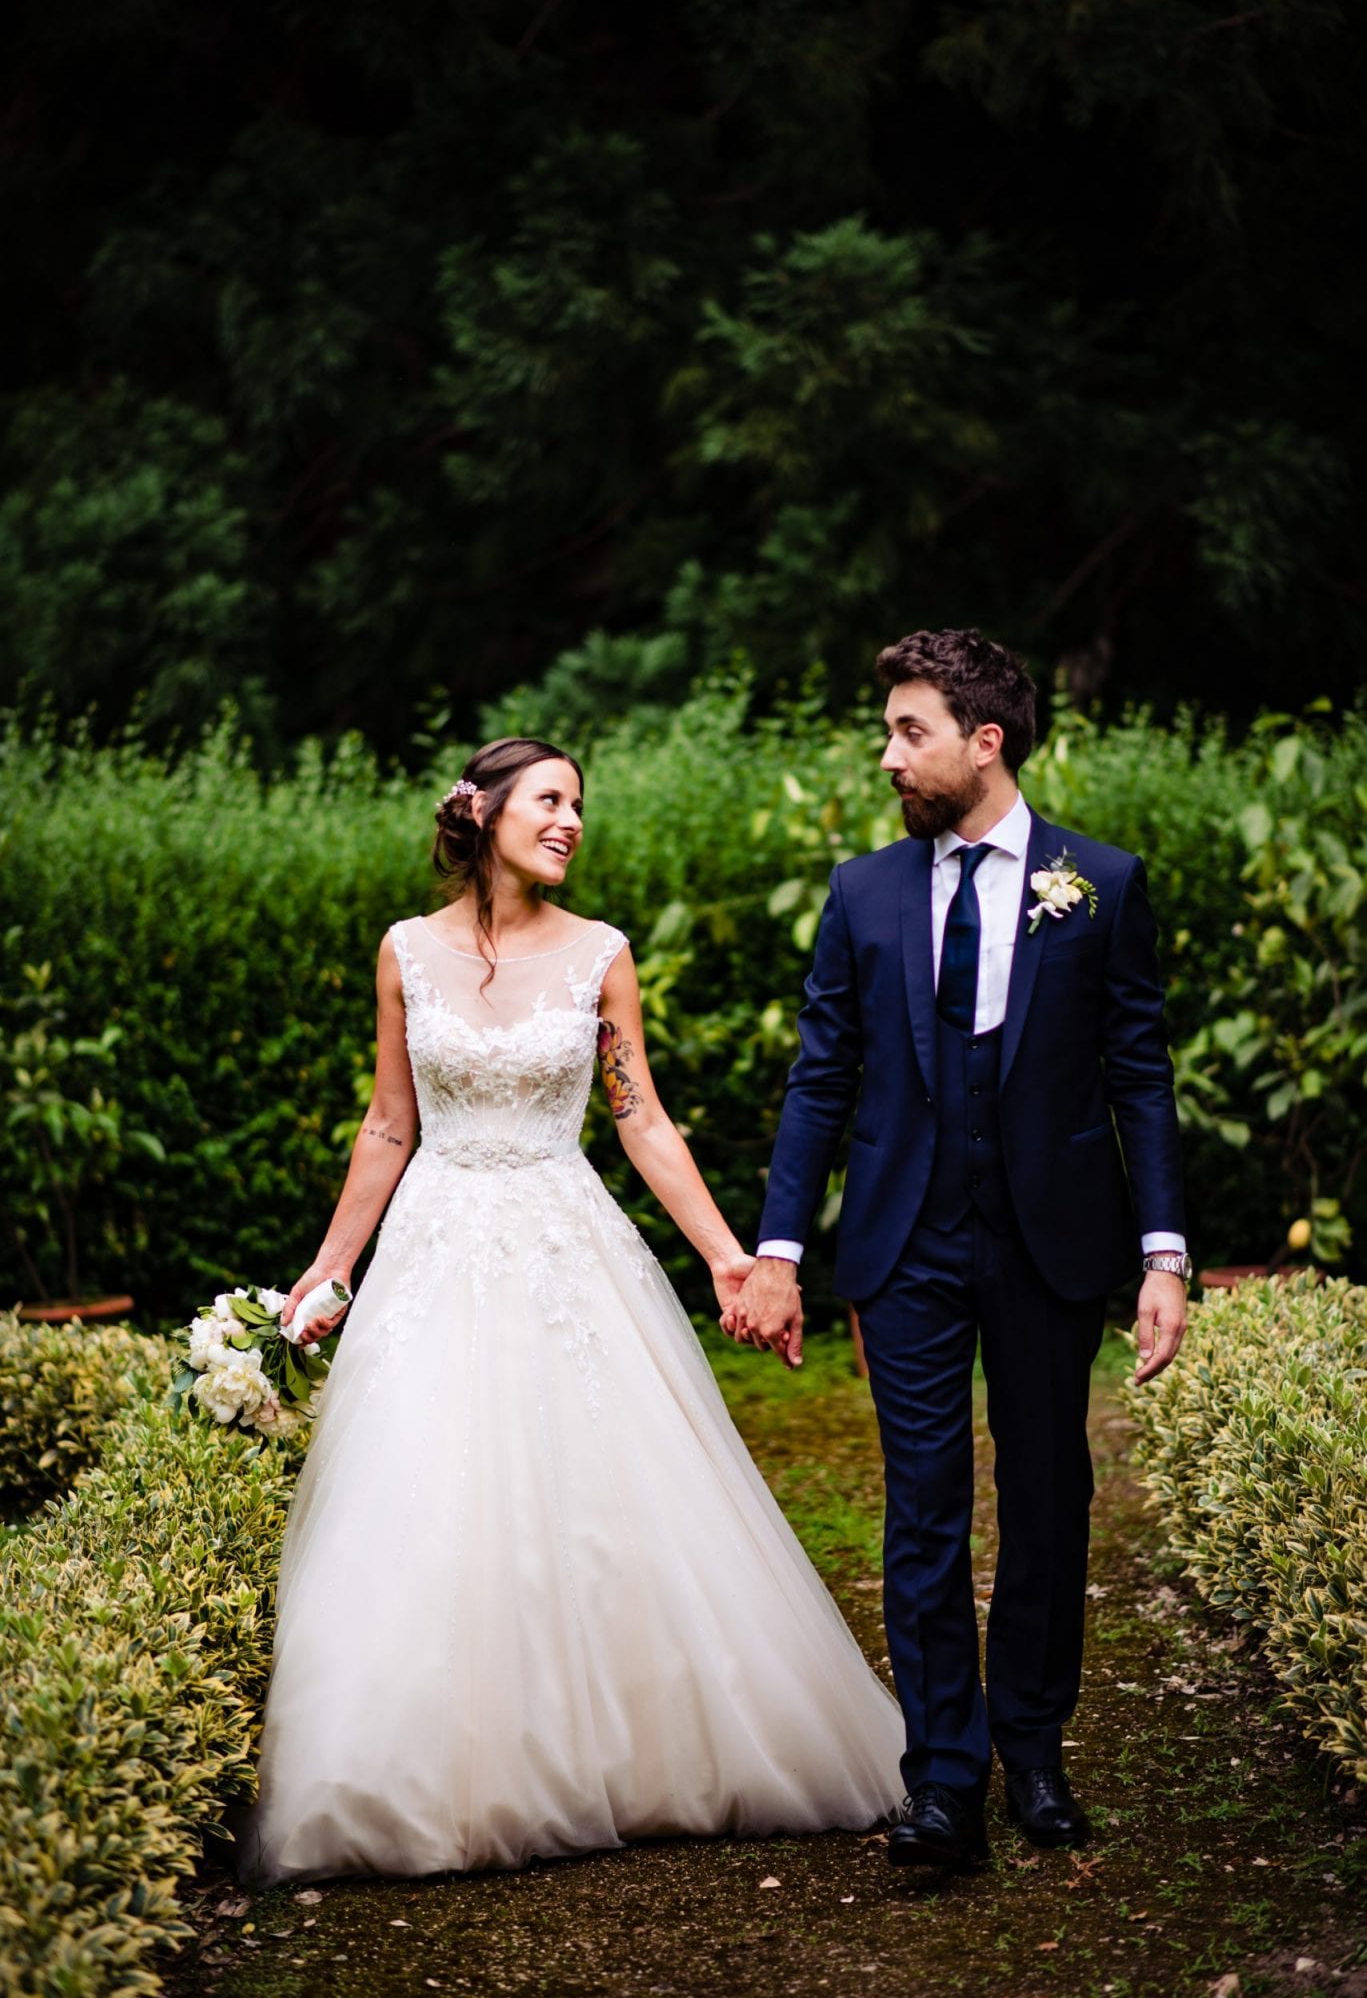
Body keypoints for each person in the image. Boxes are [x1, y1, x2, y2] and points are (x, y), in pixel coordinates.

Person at [233, 737, 902, 1887]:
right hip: (438, 1243)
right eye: (550, 799)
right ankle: (428, 1773)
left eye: (579, 804)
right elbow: (390, 1122)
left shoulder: (600, 955)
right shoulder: (405, 952)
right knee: (427, 1492)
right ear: (483, 812)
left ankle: (637, 1752)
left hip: (565, 1239)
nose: (570, 821)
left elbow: (638, 1116)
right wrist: (330, 1270)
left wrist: (728, 1257)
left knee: (603, 1495)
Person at [726, 630, 1188, 1871]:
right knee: (922, 1503)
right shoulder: (861, 892)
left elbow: (1137, 1077)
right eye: (888, 731)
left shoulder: (1096, 883)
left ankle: (1031, 1745)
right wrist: (777, 1247)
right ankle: (941, 1777)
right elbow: (818, 1076)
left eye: (907, 730)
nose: (888, 755)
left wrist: (1162, 1254)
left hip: (1048, 1241)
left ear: (984, 741)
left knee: (1048, 1493)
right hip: (904, 1240)